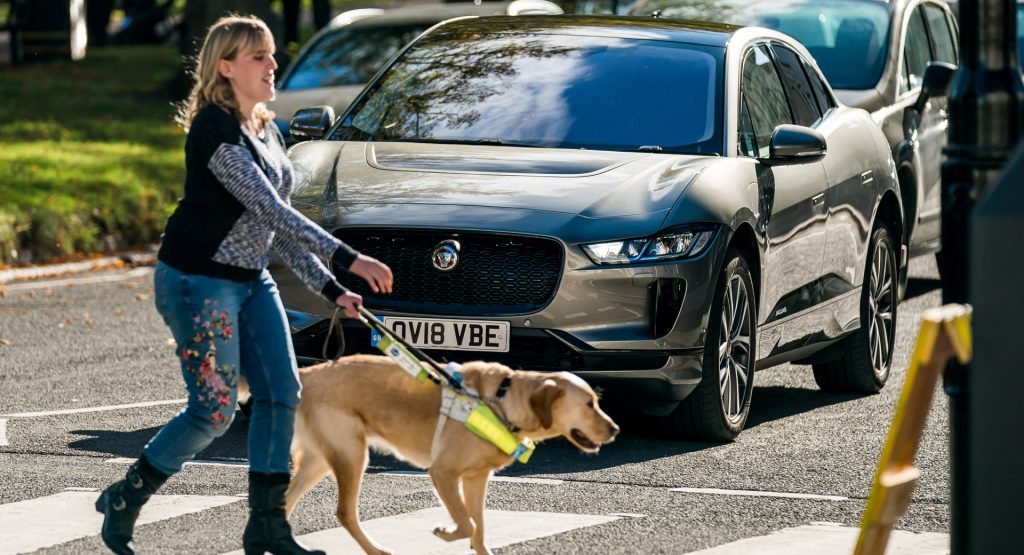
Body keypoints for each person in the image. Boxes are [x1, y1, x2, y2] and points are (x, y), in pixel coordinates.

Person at [94, 14, 392, 555]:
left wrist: (331, 289)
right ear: (226, 67)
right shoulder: (215, 129)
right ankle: (127, 495)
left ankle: (268, 529)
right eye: (260, 57)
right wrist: (349, 258)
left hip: (252, 281)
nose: (273, 64)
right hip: (198, 282)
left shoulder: (265, 127)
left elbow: (271, 233)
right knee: (213, 410)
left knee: (282, 393)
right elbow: (270, 209)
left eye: (273, 54)